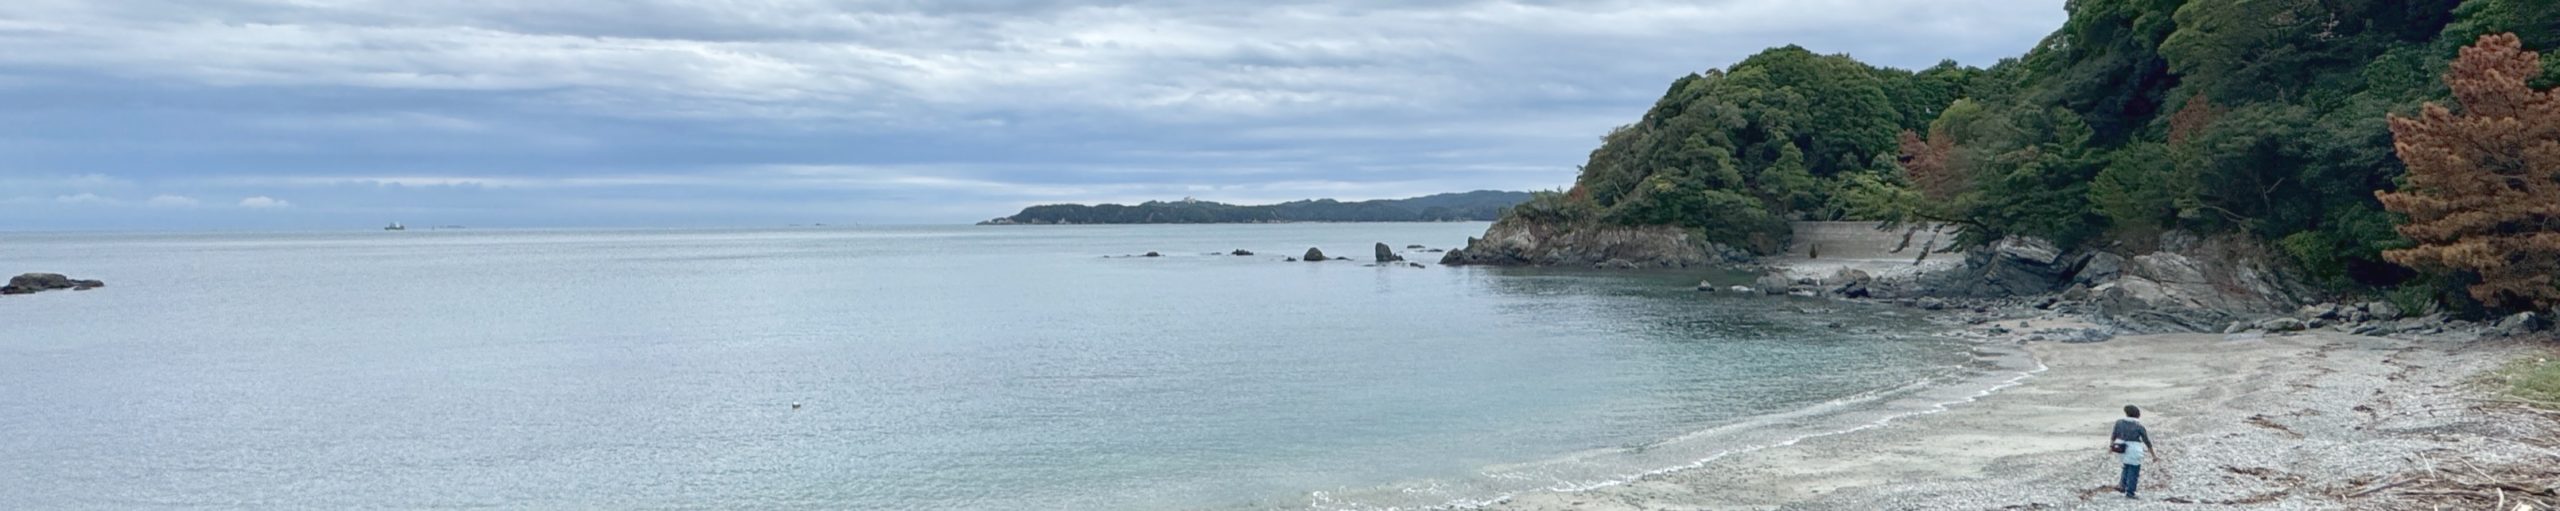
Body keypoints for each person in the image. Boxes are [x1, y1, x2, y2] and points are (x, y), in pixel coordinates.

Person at [2109, 405, 2155, 499]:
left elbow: (2114, 435)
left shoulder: (2119, 423)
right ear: (2138, 415)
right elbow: (2147, 441)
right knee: (2134, 469)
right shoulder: (2139, 426)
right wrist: (2153, 455)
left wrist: (2111, 447)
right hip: (2134, 449)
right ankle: (2130, 492)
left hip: (2121, 447)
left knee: (2126, 466)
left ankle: (2122, 485)